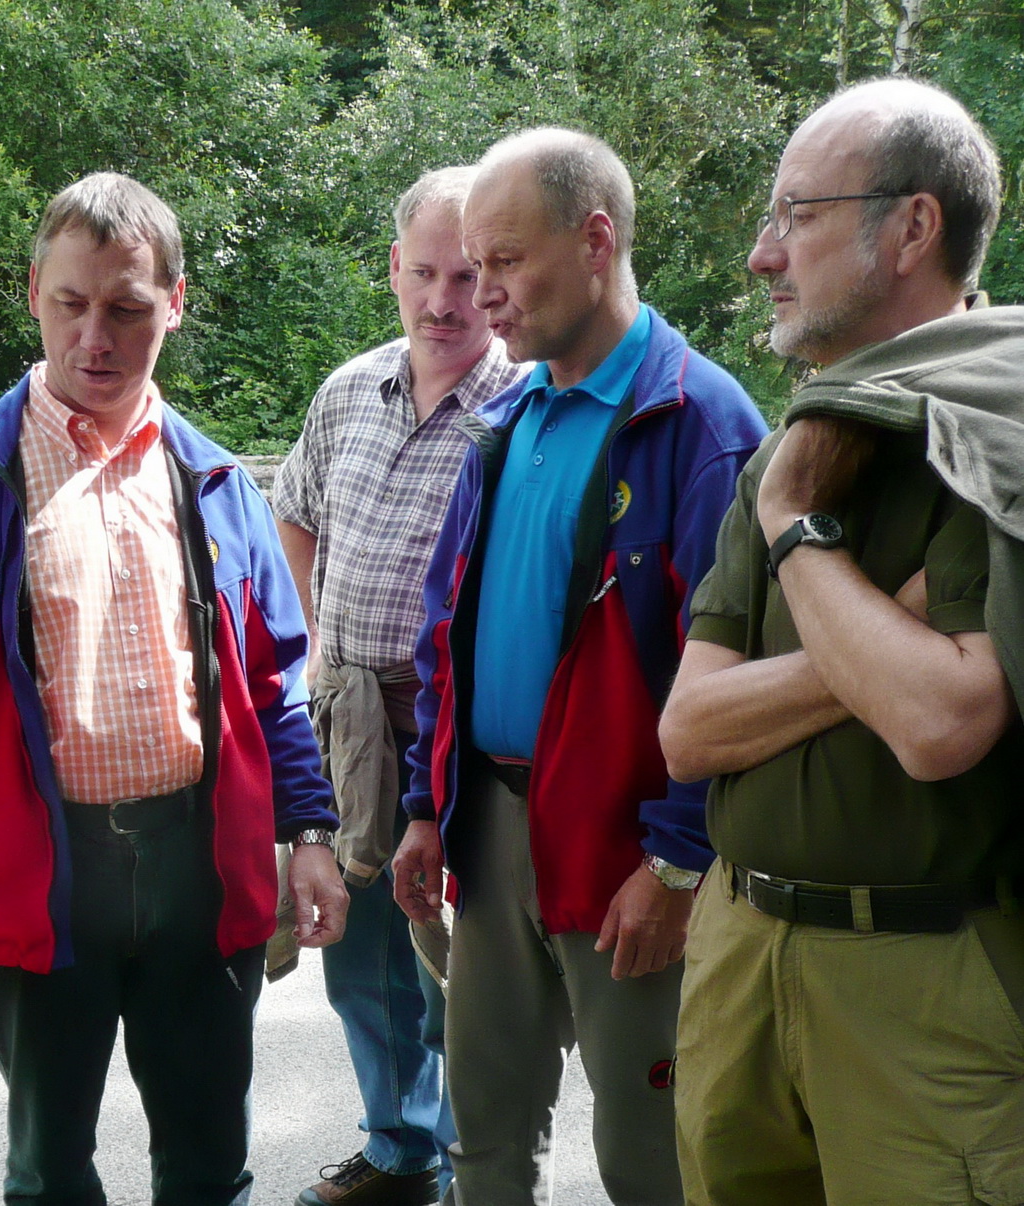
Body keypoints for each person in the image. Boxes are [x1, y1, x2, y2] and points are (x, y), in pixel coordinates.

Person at [0, 171, 348, 1206]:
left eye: (127, 308)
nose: (96, 338)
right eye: (70, 304)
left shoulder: (219, 484)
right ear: (33, 293)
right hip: (44, 875)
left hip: (197, 867)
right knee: (49, 1171)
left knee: (209, 1167)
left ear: (175, 304)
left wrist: (310, 832)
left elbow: (275, 686)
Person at [660, 78, 1024, 1204]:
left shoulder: (996, 430)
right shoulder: (801, 439)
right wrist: (878, 645)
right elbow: (688, 732)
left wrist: (793, 528)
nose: (763, 254)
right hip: (740, 951)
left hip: (930, 983)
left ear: (912, 227)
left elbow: (939, 723)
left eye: (798, 214)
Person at [393, 128, 767, 1205]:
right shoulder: (507, 417)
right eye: (474, 263)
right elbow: (445, 632)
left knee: (652, 1154)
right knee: (487, 1131)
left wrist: (679, 862)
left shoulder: (702, 424)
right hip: (491, 827)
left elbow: (734, 669)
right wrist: (425, 809)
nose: (483, 294)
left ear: (596, 241)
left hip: (628, 849)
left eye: (506, 261)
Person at [274, 165, 526, 1206]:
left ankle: (478, 1166)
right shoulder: (350, 390)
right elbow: (293, 512)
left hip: (457, 730)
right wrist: (318, 647)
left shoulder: (521, 407)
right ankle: (398, 1149)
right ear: (392, 269)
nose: (443, 301)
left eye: (466, 277)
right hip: (350, 719)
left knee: (465, 965)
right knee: (362, 953)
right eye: (423, 273)